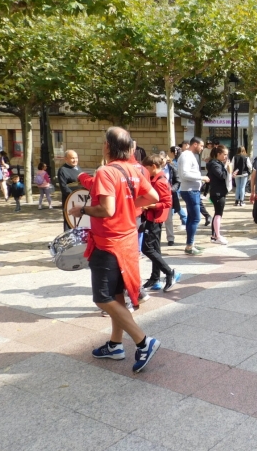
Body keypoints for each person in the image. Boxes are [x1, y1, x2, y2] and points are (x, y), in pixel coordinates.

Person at [69, 127, 160, 372]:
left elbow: (106, 210)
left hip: (107, 242)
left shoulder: (105, 171)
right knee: (117, 295)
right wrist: (129, 207)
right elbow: (152, 196)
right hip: (127, 240)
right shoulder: (134, 169)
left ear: (108, 146)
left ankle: (143, 341)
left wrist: (83, 210)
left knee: (102, 298)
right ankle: (115, 345)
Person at [141, 154, 180, 291]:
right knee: (155, 249)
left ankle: (169, 273)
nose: (144, 170)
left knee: (147, 248)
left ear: (153, 167)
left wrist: (149, 206)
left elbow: (167, 202)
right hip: (154, 217)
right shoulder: (156, 178)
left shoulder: (160, 181)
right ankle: (154, 277)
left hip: (155, 218)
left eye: (146, 168)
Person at [178, 137, 210, 256]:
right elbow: (185, 174)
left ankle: (190, 243)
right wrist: (202, 178)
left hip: (192, 190)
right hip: (190, 191)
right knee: (196, 218)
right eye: (201, 146)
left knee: (192, 218)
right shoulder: (187, 156)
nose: (202, 148)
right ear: (195, 144)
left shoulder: (189, 155)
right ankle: (189, 246)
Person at [206, 144, 232, 244]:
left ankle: (214, 235)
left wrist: (230, 173)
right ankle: (217, 236)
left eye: (227, 155)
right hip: (217, 193)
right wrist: (226, 168)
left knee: (217, 214)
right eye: (224, 154)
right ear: (218, 154)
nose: (226, 157)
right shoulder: (214, 164)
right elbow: (221, 175)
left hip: (219, 191)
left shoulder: (217, 163)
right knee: (218, 214)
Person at [58, 150, 82, 231]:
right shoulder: (62, 170)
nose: (75, 160)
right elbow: (64, 187)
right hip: (69, 200)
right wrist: (74, 196)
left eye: (76, 158)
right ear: (66, 159)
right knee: (70, 221)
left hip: (80, 199)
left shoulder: (78, 168)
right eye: (72, 158)